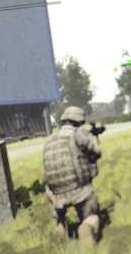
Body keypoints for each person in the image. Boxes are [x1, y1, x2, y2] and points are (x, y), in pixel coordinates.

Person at [43, 105, 103, 244]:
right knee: (90, 211)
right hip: (79, 189)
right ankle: (87, 225)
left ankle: (61, 226)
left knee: (59, 210)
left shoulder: (50, 140)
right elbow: (96, 153)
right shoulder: (78, 134)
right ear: (79, 121)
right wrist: (94, 137)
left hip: (55, 193)